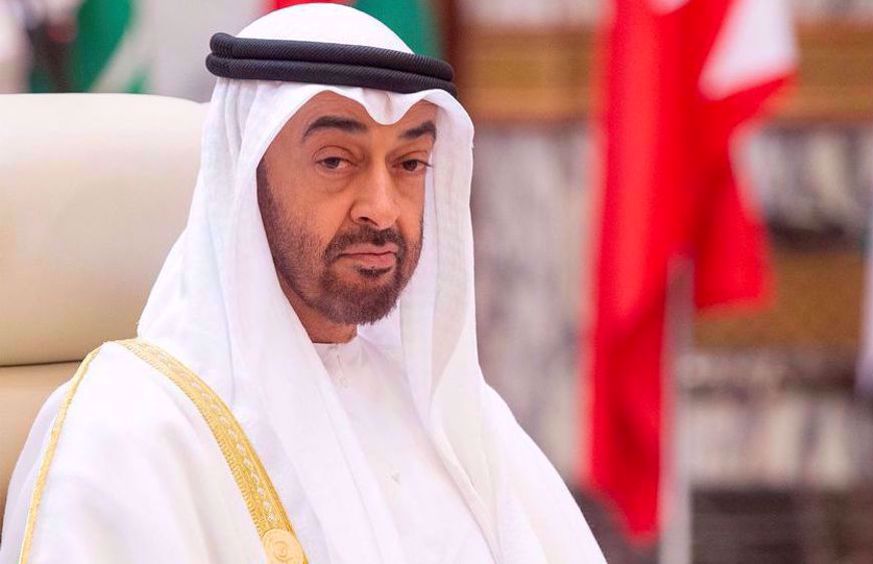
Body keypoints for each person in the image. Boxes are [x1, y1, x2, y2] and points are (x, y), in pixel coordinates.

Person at [0, 5, 606, 563]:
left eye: (408, 164)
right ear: (247, 172)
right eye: (336, 160)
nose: (383, 208)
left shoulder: (456, 418)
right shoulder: (133, 428)